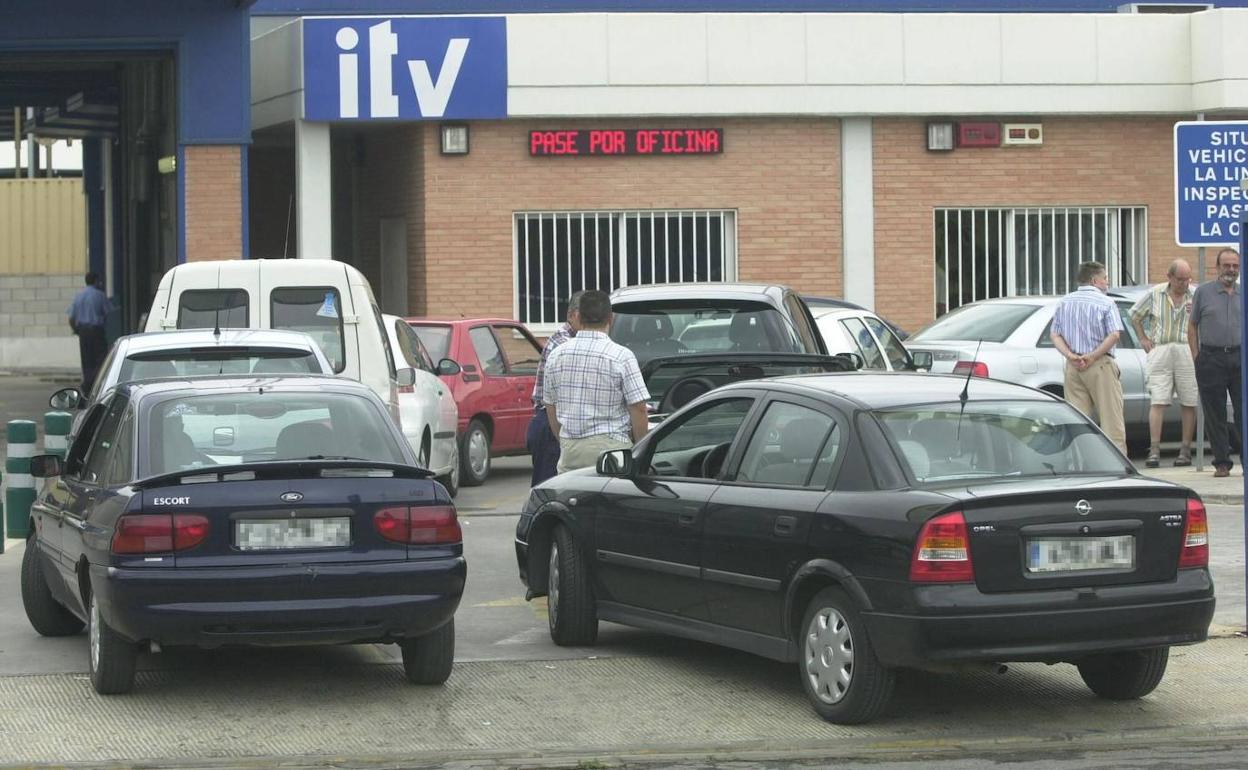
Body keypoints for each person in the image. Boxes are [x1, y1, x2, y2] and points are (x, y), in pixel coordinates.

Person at [542, 290, 650, 473]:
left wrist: (564, 441)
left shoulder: (556, 355)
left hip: (570, 448)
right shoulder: (621, 356)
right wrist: (641, 449)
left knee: (573, 499)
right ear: (611, 318)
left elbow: (550, 406)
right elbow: (638, 408)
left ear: (578, 316)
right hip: (611, 449)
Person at [1050, 261, 1127, 455]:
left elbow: (1055, 334)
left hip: (1073, 367)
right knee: (1111, 421)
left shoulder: (1065, 301)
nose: (1107, 283)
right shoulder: (1106, 302)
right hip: (1100, 365)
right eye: (1105, 278)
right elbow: (1115, 334)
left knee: (1079, 421)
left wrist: (1070, 355)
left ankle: (1081, 464)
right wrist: (1092, 356)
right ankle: (1117, 466)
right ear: (1095, 280)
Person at [1129, 259, 1197, 468]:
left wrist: (1197, 349)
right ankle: (1155, 449)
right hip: (1161, 347)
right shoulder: (1155, 293)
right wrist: (1143, 338)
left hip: (1186, 347)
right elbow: (1134, 315)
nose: (1184, 284)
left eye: (1187, 279)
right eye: (1180, 280)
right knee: (1158, 399)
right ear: (1170, 277)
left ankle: (1185, 450)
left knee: (1189, 399)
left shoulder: (1194, 294)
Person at [1188, 247, 1242, 478]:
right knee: (1214, 413)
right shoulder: (1204, 292)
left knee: (1244, 412)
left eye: (1235, 266)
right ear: (1217, 267)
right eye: (1226, 265)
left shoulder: (1244, 291)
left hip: (1240, 358)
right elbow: (1192, 325)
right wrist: (1196, 355)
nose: (1231, 270)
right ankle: (1221, 462)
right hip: (1210, 358)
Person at [525, 291, 582, 485]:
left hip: (561, 422)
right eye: (586, 317)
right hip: (550, 424)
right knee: (548, 489)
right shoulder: (562, 343)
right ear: (571, 315)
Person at [66, 271, 112, 393]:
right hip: (97, 331)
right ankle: (97, 383)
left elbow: (71, 318)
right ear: (96, 281)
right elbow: (108, 312)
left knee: (86, 359)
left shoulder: (78, 296)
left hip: (84, 332)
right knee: (100, 358)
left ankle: (87, 384)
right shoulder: (100, 295)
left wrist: (76, 330)